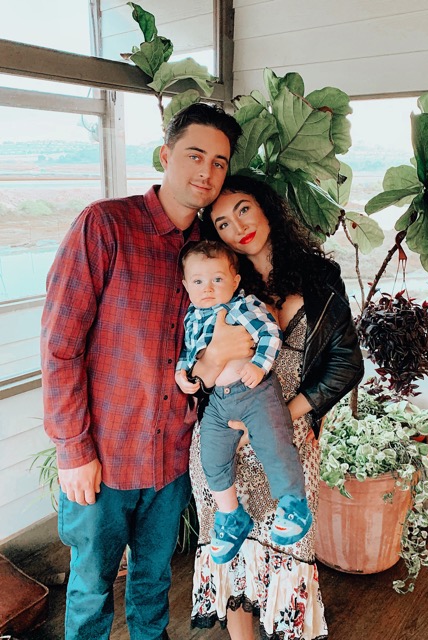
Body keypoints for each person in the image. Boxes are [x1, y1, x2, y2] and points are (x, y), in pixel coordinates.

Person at [39, 103, 255, 640]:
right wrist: (73, 450)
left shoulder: (211, 254)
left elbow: (216, 351)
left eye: (220, 162)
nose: (206, 172)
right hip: (105, 456)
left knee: (154, 584)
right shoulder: (105, 225)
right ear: (165, 155)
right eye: (195, 155)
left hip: (172, 457)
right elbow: (60, 347)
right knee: (90, 589)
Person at [189, 175, 365, 640]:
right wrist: (210, 363)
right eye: (222, 223)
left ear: (266, 207)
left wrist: (282, 417)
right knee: (234, 562)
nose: (237, 228)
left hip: (287, 442)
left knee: (289, 556)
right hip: (224, 444)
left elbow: (347, 364)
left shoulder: (319, 277)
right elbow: (195, 370)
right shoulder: (217, 285)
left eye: (244, 209)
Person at [176, 240, 313, 565]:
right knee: (212, 454)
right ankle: (231, 516)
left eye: (217, 279)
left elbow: (270, 334)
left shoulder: (242, 306)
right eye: (198, 281)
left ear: (235, 280)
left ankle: (293, 504)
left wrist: (258, 366)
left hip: (255, 392)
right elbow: (190, 352)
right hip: (220, 401)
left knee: (274, 443)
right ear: (186, 285)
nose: (208, 288)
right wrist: (183, 372)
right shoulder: (192, 316)